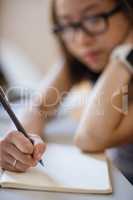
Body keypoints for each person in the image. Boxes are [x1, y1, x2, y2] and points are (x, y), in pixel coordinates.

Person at [0, 0, 133, 184]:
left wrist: (125, 56)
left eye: (94, 19)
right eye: (67, 25)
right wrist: (16, 142)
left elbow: (90, 138)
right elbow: (38, 106)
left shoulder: (112, 55)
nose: (81, 40)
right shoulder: (85, 55)